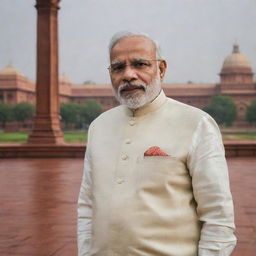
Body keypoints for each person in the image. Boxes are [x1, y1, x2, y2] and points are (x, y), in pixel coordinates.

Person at [77, 31, 237, 256]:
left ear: (161, 69)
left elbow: (218, 218)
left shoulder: (195, 123)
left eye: (140, 64)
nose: (128, 75)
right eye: (118, 67)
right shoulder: (99, 126)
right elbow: (87, 205)